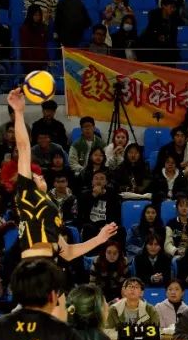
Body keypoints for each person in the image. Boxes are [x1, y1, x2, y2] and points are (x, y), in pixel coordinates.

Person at [8, 88, 117, 276]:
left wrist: (100, 239)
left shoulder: (50, 208)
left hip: (51, 267)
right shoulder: (27, 194)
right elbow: (24, 147)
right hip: (33, 269)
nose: (39, 176)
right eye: (35, 176)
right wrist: (18, 113)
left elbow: (68, 252)